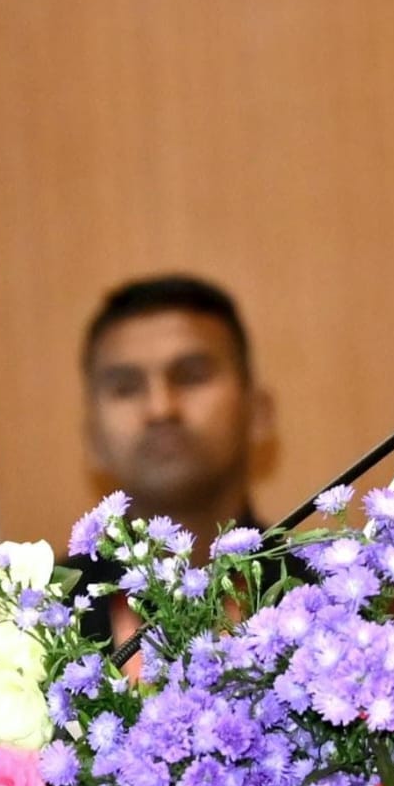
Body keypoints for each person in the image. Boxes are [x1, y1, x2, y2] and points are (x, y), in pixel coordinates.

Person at [73, 274, 275, 652]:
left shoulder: (336, 601)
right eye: (126, 388)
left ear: (259, 413)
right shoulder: (23, 632)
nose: (161, 408)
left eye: (191, 376)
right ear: (92, 439)